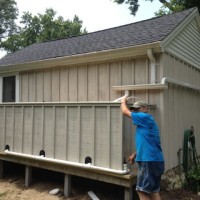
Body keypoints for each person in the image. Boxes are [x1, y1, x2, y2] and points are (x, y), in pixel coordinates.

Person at [121, 96, 164, 200]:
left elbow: (125, 111)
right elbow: (149, 143)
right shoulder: (146, 124)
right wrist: (135, 154)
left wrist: (123, 101)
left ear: (145, 108)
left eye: (137, 109)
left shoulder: (145, 117)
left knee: (142, 191)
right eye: (134, 110)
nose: (136, 112)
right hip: (156, 161)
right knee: (154, 192)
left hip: (148, 161)